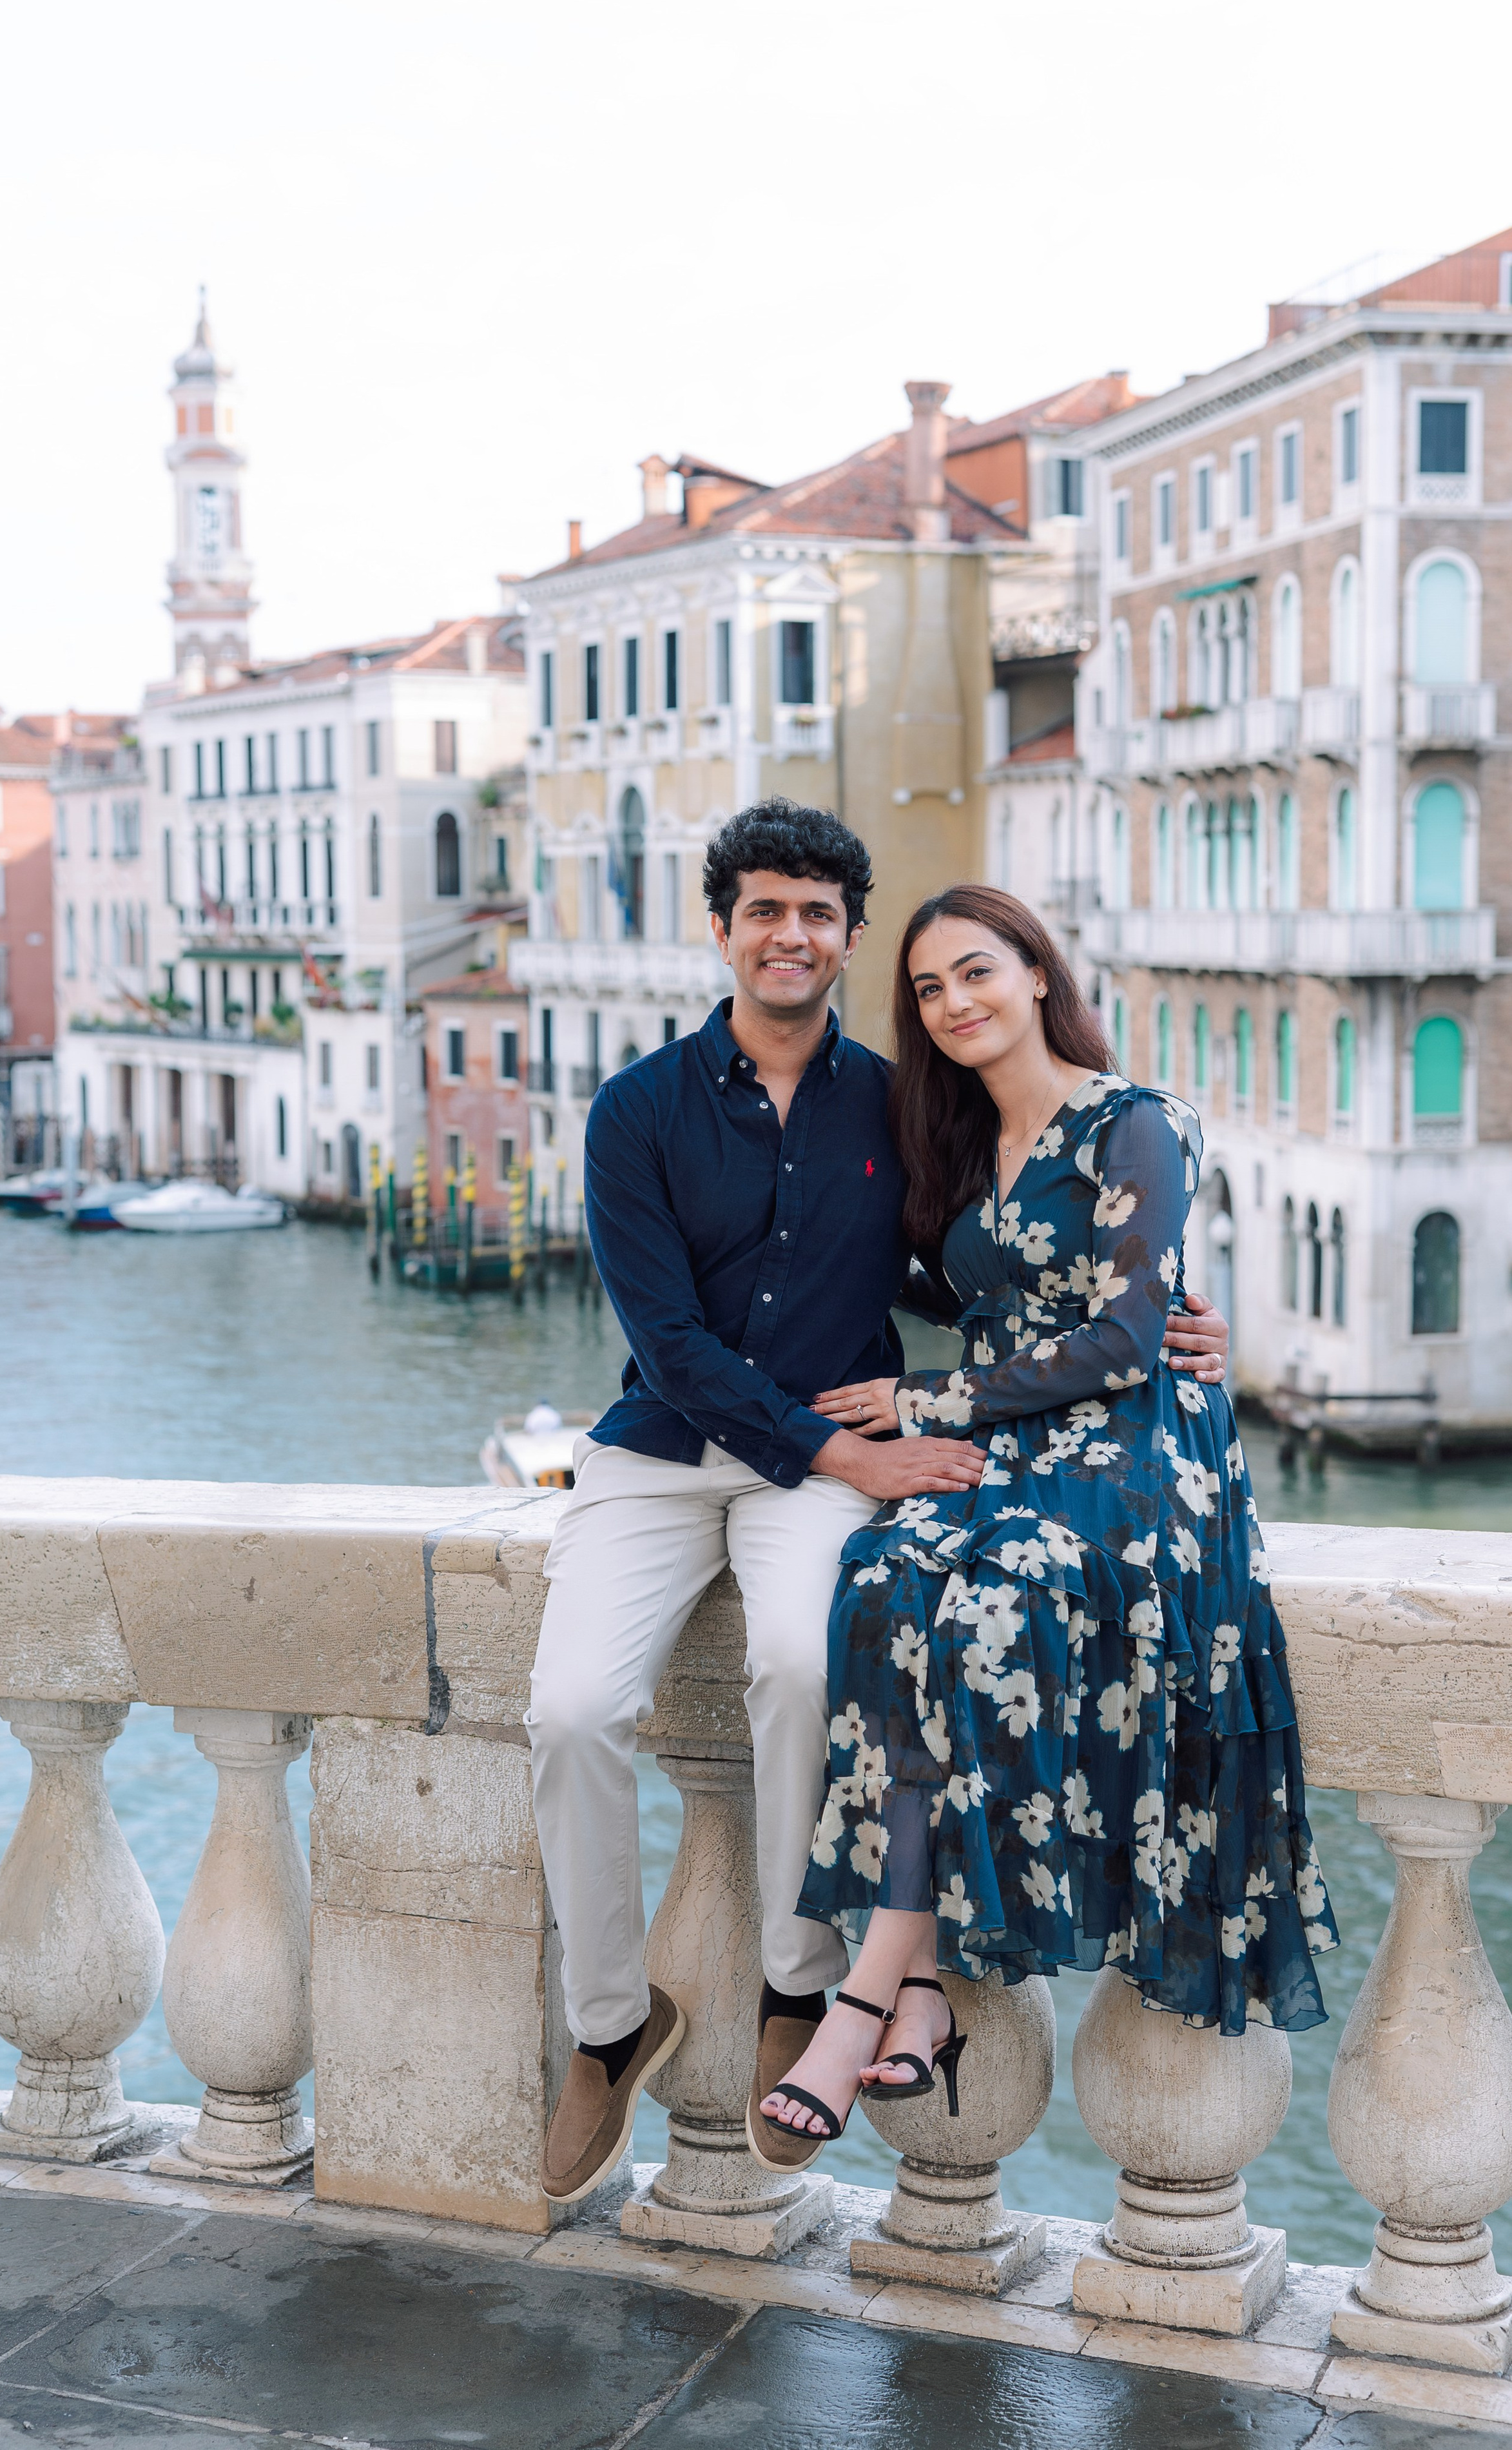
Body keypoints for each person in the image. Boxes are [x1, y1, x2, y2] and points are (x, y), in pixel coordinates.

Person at [527, 806, 1231, 2203]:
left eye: (815, 914)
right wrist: (852, 1449)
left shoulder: (897, 1107)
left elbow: (960, 1281)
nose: (788, 935)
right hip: (670, 1447)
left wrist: (1165, 1323)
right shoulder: (635, 1109)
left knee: (800, 1663)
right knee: (569, 1712)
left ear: (846, 936)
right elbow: (667, 1342)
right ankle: (609, 2025)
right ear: (719, 926)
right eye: (761, 911)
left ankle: (804, 1983)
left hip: (827, 1459)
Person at [759, 884, 1337, 2150]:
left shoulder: (1134, 1123)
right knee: (885, 1572)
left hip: (1133, 1453)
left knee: (997, 1595)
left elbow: (1130, 1341)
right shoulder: (957, 1142)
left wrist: (919, 1399)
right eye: (926, 989)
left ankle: (863, 1996)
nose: (954, 1002)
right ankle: (917, 1990)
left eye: (974, 971)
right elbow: (914, 1275)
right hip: (1007, 1443)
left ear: (1034, 972)